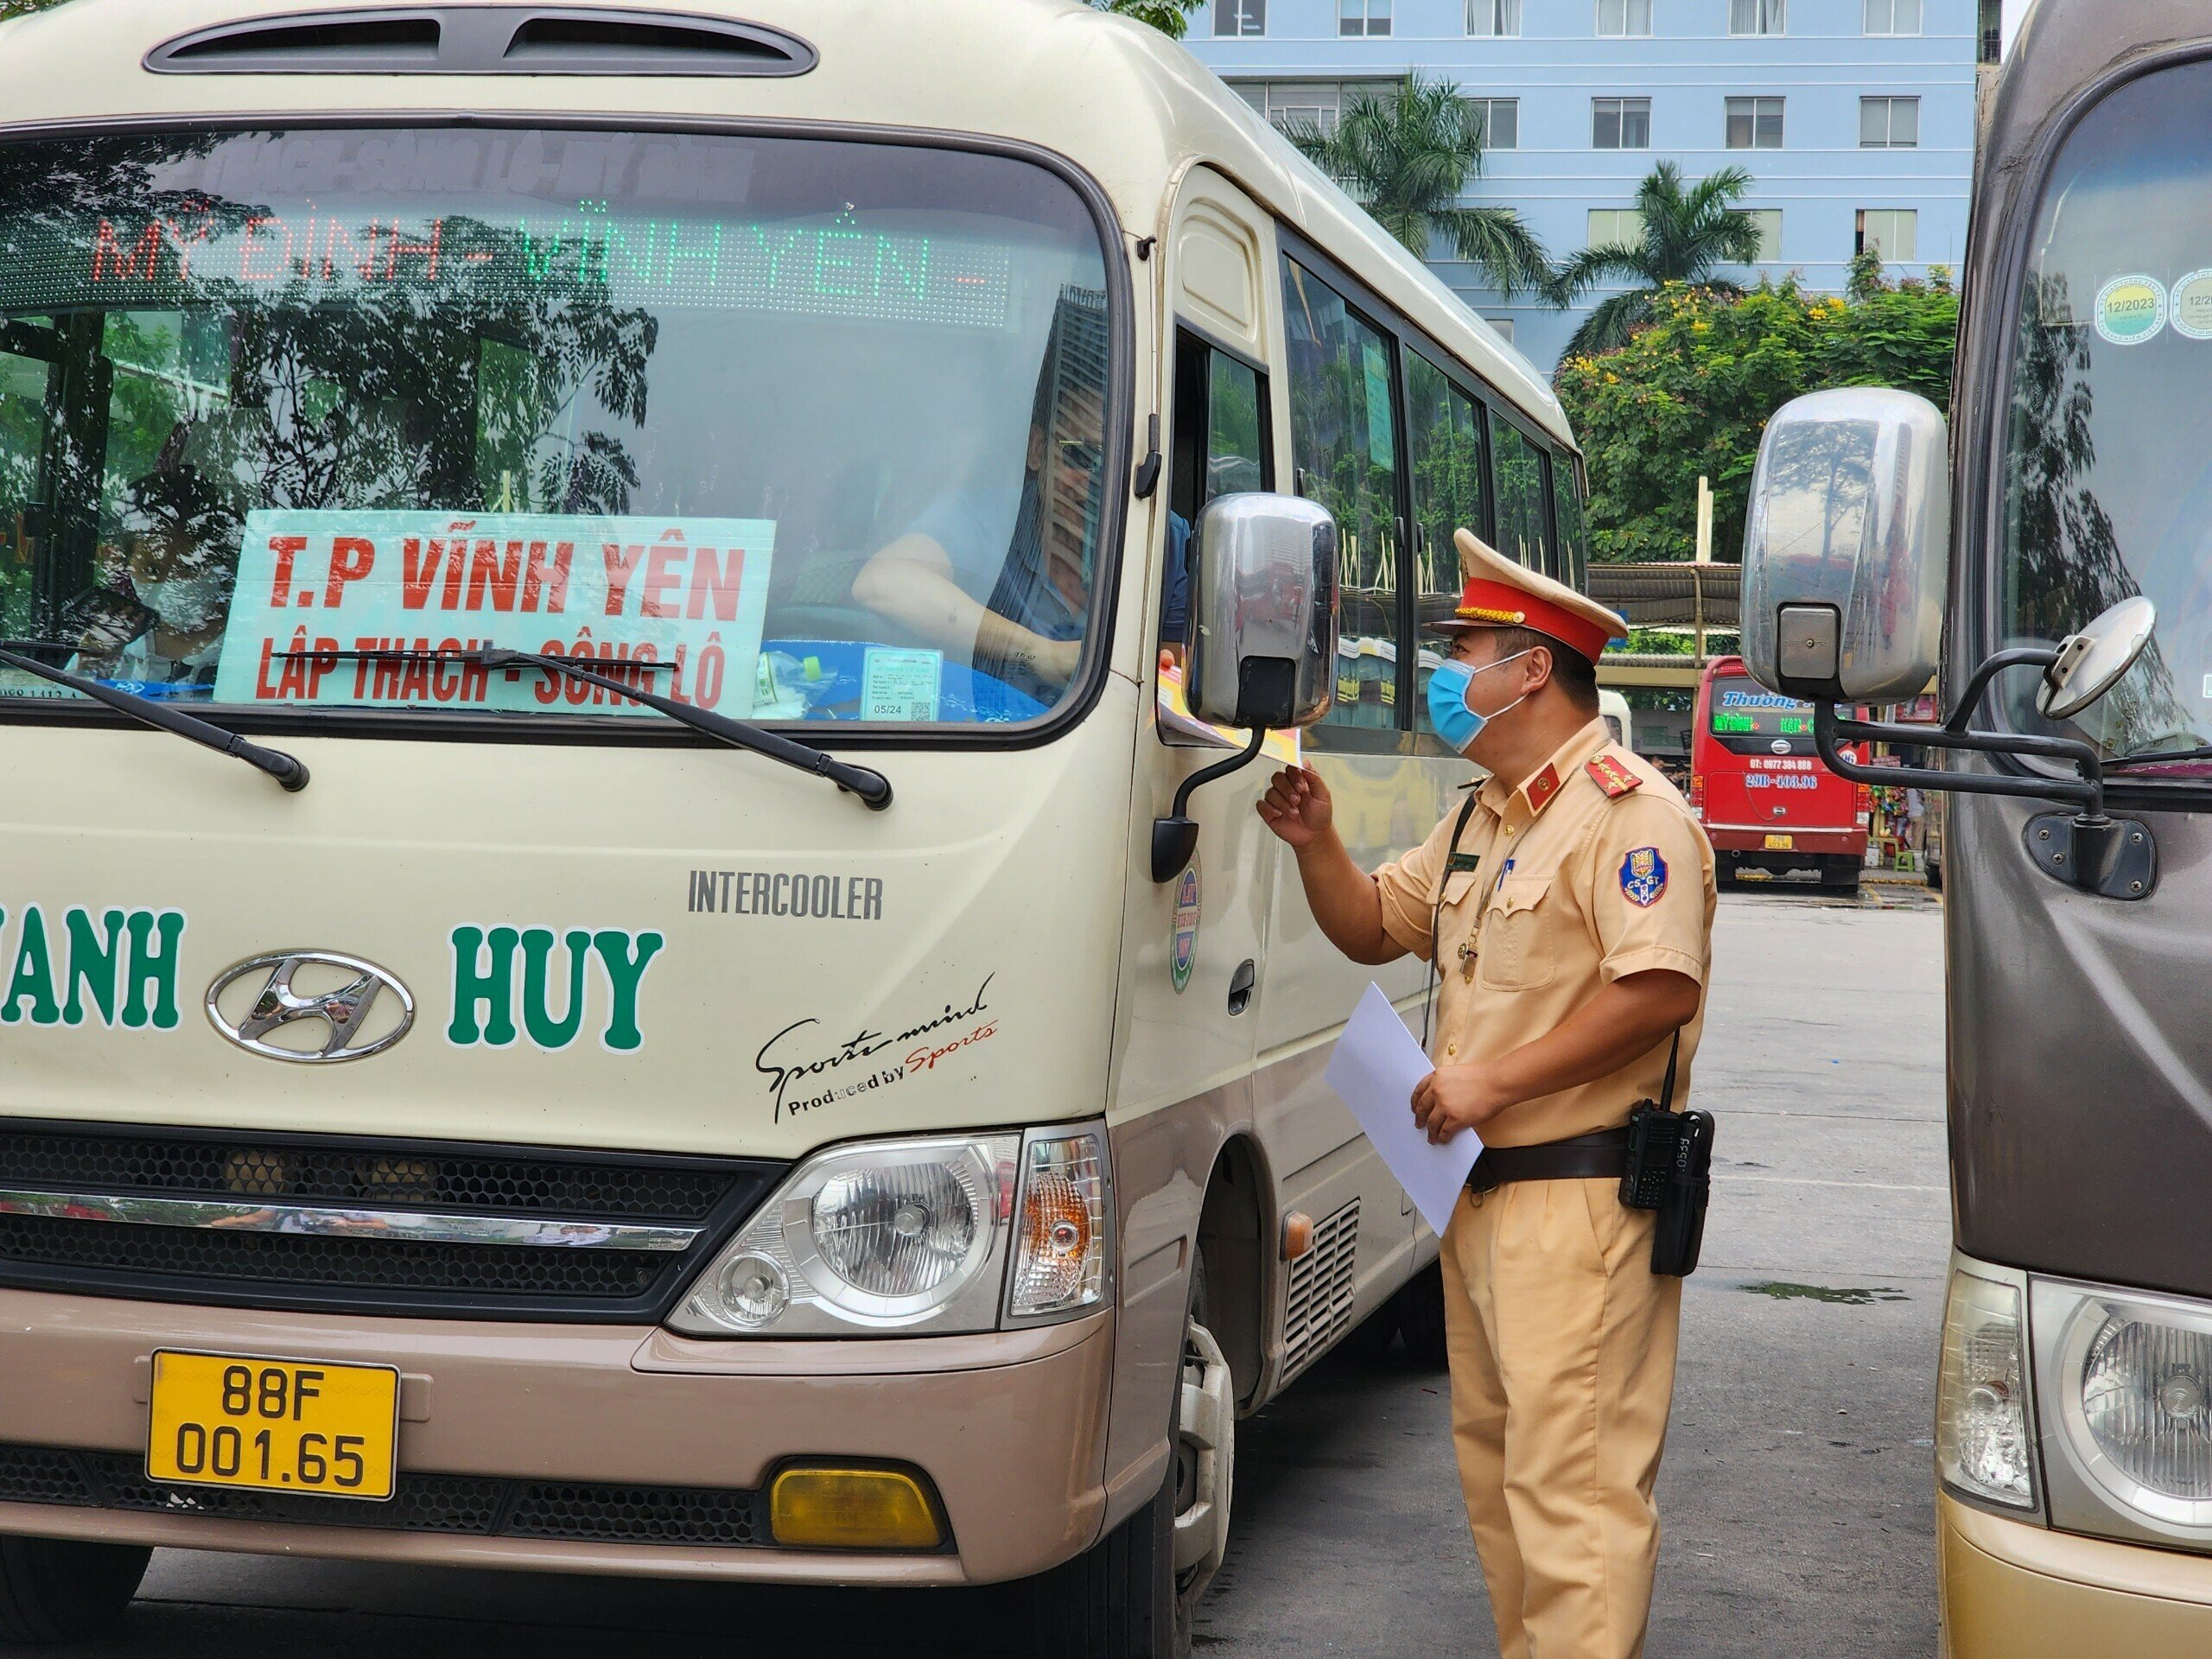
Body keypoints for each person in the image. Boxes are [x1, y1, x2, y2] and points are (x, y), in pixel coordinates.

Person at [1256, 528, 1717, 1659]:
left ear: (1533, 670)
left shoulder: (1628, 813)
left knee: (1575, 1498)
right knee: (1503, 1486)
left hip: (1581, 1205)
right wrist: (1316, 843)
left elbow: (1656, 989)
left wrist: (1491, 1082)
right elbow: (1373, 922)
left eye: (1468, 648)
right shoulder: (1482, 814)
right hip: (1478, 1202)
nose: (1447, 672)